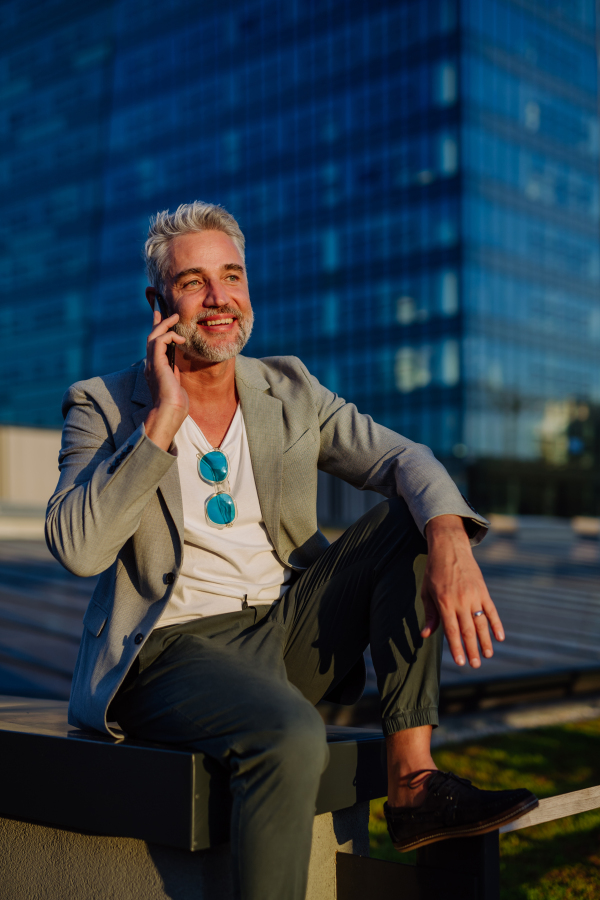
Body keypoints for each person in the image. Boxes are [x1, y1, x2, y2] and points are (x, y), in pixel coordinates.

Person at [46, 201, 537, 900]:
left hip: (283, 630)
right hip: (171, 652)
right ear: (158, 303)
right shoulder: (102, 404)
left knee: (414, 515)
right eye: (193, 282)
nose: (219, 298)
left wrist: (450, 536)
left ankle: (412, 785)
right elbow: (77, 547)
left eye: (232, 276)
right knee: (292, 736)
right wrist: (159, 424)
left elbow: (408, 458)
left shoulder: (291, 389)